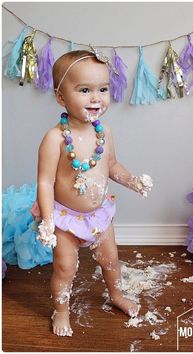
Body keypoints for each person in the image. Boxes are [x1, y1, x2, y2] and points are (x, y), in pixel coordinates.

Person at [34, 49, 153, 337]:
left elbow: (111, 164)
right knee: (65, 267)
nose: (96, 98)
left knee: (110, 259)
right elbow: (45, 182)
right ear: (61, 97)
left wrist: (131, 180)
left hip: (99, 215)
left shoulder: (104, 132)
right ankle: (60, 310)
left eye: (103, 89)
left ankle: (116, 294)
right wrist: (48, 221)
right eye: (84, 90)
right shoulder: (55, 138)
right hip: (65, 218)